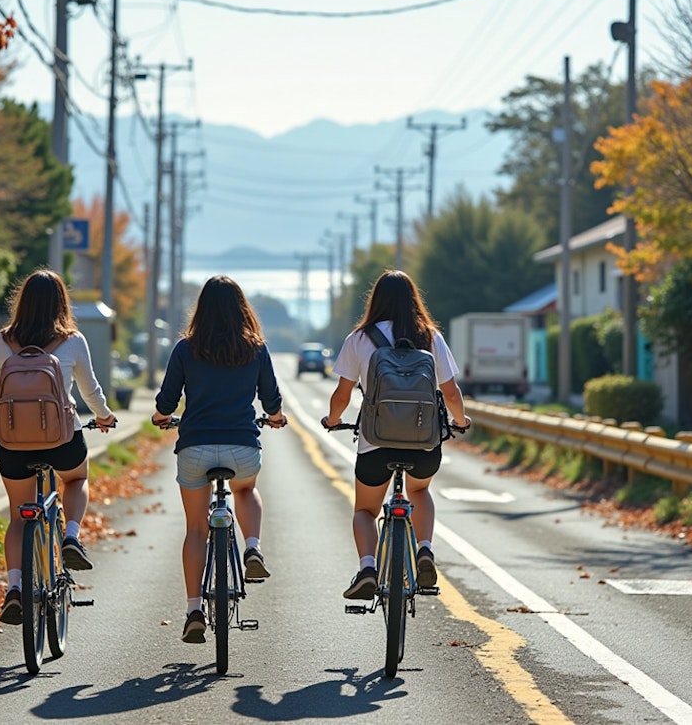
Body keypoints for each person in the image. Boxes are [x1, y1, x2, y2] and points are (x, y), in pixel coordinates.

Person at [151, 274, 287, 644]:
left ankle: (194, 609)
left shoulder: (185, 349)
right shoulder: (256, 349)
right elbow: (271, 400)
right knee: (246, 491)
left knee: (196, 529)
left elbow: (166, 401)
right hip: (242, 448)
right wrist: (274, 418)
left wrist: (162, 417)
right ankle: (253, 547)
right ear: (242, 309)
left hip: (194, 448)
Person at [322, 269, 469, 600]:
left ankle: (368, 568)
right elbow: (451, 393)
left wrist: (332, 420)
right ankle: (426, 550)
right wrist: (461, 421)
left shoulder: (359, 339)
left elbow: (343, 395)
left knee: (365, 511)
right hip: (424, 444)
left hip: (375, 444)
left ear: (376, 301)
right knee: (419, 491)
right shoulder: (431, 337)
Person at [0, 269, 117, 625]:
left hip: (13, 444)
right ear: (62, 302)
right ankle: (71, 535)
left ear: (22, 302)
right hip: (62, 440)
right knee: (75, 479)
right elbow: (91, 390)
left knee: (17, 516)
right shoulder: (72, 340)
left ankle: (14, 588)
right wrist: (104, 416)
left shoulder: (2, 341)